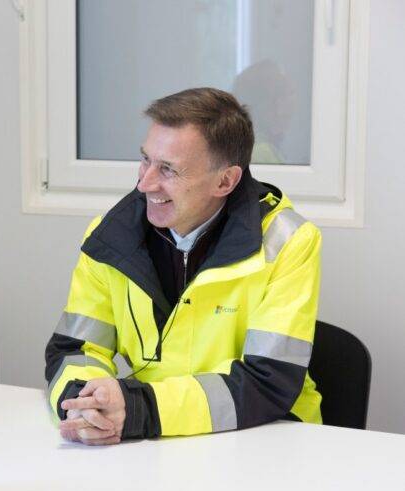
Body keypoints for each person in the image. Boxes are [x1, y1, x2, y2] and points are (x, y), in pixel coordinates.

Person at [45, 87, 321, 445]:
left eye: (168, 170)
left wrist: (138, 409)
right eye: (145, 160)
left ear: (226, 181)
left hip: (267, 439)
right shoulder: (110, 237)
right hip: (159, 438)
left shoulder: (288, 241)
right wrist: (85, 402)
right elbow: (75, 349)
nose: (145, 183)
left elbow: (268, 383)